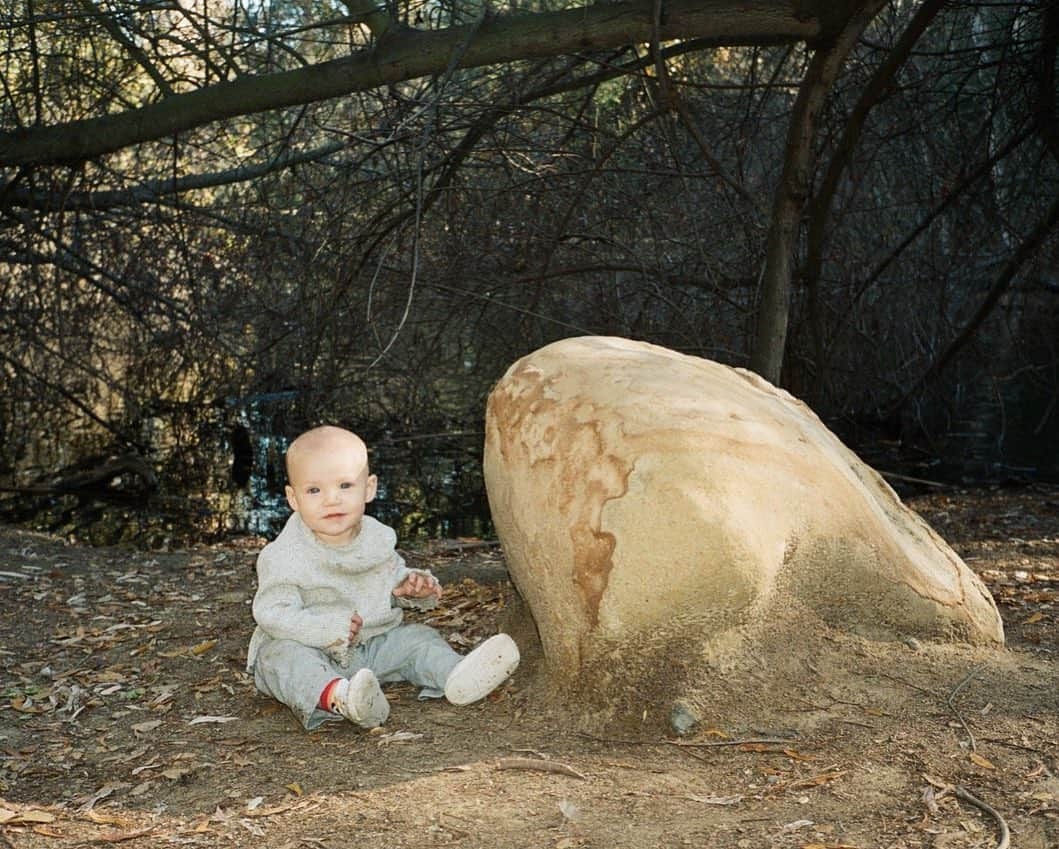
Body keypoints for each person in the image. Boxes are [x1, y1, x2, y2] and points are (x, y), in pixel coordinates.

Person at [246, 425, 520, 730]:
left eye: (345, 485)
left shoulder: (376, 541)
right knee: (277, 658)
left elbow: (389, 582)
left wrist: (410, 587)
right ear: (293, 498)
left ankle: (456, 675)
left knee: (418, 638)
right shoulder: (284, 555)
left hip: (373, 648)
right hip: (311, 651)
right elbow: (271, 613)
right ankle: (339, 697)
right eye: (314, 490)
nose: (331, 499)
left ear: (369, 488)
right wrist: (326, 629)